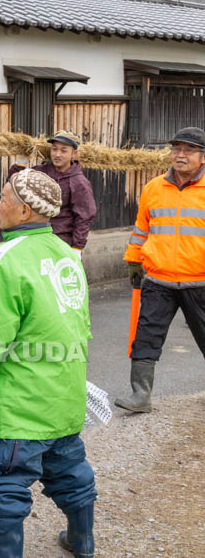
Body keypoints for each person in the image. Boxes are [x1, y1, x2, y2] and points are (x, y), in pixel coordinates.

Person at [0, 169, 95, 558]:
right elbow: (78, 325)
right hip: (64, 395)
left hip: (20, 405)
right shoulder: (68, 255)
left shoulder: (5, 257)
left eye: (3, 199)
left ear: (23, 212)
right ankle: (82, 541)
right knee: (71, 472)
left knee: (4, 485)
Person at [117, 126, 205, 413]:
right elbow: (142, 228)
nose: (180, 155)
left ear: (202, 157)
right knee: (145, 337)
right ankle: (140, 395)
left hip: (200, 281)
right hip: (159, 279)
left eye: (188, 150)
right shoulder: (154, 188)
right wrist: (133, 259)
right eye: (176, 149)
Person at [8, 130, 96, 254]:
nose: (57, 154)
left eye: (63, 150)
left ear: (74, 154)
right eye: (54, 149)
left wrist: (77, 248)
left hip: (60, 242)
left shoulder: (78, 182)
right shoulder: (40, 172)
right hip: (34, 238)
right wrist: (20, 164)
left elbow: (83, 218)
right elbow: (15, 186)